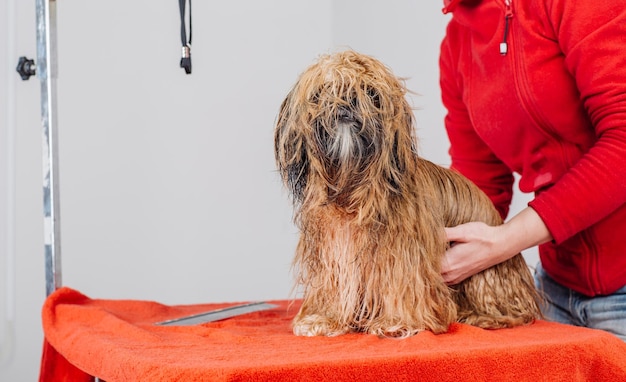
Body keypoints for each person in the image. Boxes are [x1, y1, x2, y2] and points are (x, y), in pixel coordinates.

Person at [437, 0, 626, 341]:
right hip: (555, 291)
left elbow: (623, 143)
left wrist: (503, 242)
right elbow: (478, 185)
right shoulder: (456, 45)